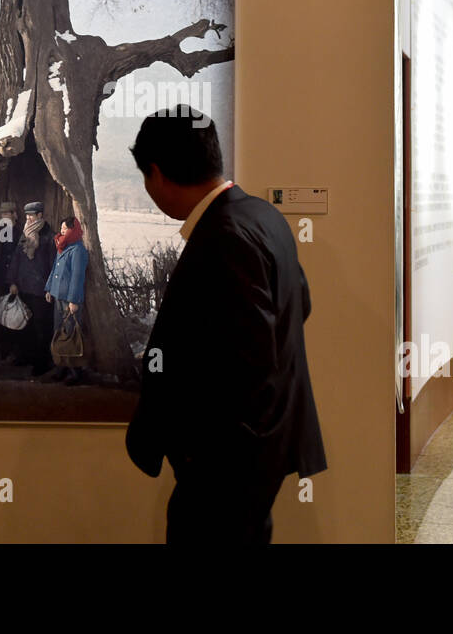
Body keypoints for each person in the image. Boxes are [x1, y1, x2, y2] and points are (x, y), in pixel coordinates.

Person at [124, 106, 326, 544]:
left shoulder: (225, 235)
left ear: (156, 173)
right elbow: (300, 304)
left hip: (227, 462)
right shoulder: (261, 215)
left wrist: (194, 451)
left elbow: (247, 360)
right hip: (259, 447)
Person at [8, 201, 56, 376]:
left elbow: (53, 265)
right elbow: (16, 259)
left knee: (42, 326)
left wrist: (50, 288)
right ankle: (26, 356)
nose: (28, 218)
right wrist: (12, 281)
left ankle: (42, 362)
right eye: (27, 215)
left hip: (41, 290)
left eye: (31, 215)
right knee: (25, 324)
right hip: (24, 287)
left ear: (40, 215)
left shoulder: (49, 236)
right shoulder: (25, 234)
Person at [44, 215, 89, 385]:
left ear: (73, 230)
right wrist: (49, 288)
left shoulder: (78, 250)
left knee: (71, 333)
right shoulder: (62, 246)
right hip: (58, 296)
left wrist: (74, 301)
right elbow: (54, 269)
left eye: (65, 228)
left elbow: (77, 277)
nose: (62, 231)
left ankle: (76, 373)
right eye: (61, 228)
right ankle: (61, 367)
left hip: (69, 299)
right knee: (59, 332)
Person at [0, 201, 20, 361]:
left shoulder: (12, 232)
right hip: (4, 279)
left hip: (8, 278)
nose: (5, 216)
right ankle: (7, 349)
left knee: (10, 312)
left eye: (7, 213)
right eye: (3, 213)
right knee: (6, 312)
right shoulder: (4, 231)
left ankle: (11, 349)